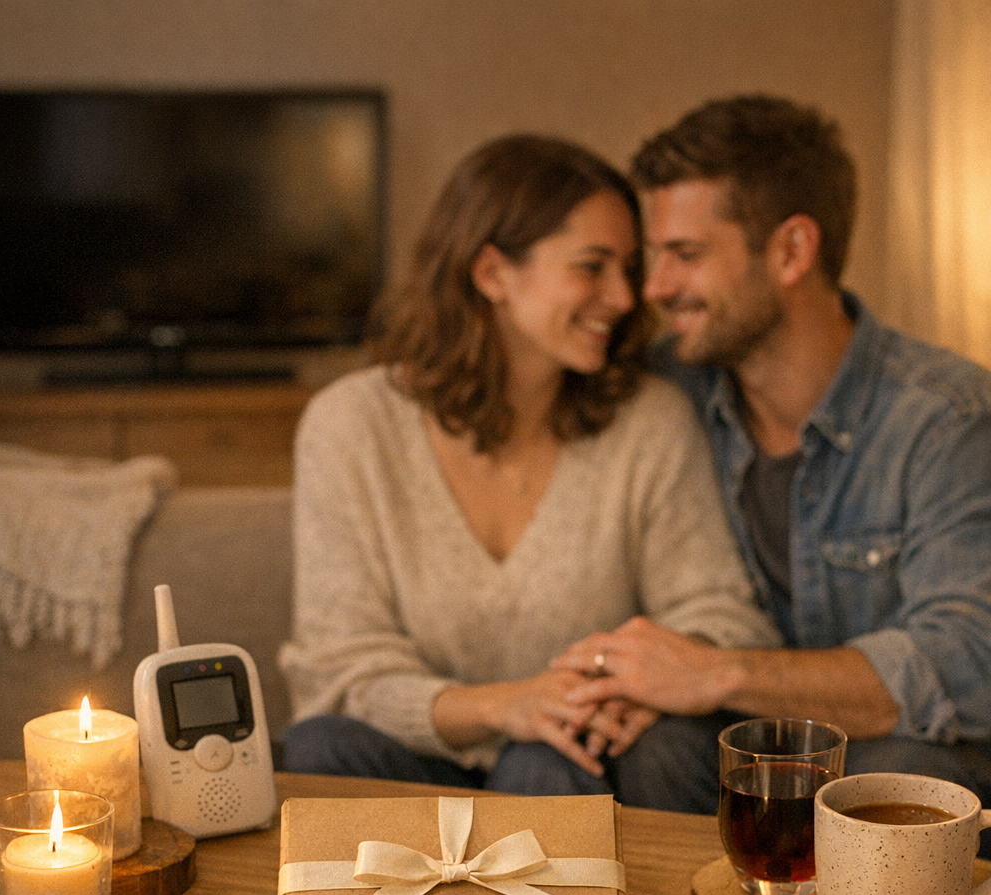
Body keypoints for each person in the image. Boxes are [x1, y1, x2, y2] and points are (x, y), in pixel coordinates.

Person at [279, 134, 779, 801]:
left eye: (628, 268)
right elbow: (339, 671)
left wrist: (625, 687)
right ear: (492, 274)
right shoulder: (351, 426)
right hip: (422, 763)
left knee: (540, 767)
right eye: (592, 266)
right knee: (319, 746)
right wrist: (505, 706)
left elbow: (721, 618)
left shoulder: (648, 420)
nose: (627, 297)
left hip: (584, 764)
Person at [556, 95, 991, 825]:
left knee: (894, 780)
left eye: (685, 256)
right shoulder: (669, 392)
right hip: (740, 743)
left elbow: (969, 664)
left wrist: (716, 672)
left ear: (792, 250)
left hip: (909, 752)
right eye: (654, 256)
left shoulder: (946, 419)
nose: (653, 290)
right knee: (655, 748)